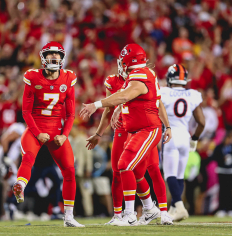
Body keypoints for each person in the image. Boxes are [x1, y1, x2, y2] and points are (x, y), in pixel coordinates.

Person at [80, 44, 173, 226]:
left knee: (133, 166)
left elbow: (126, 95)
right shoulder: (141, 74)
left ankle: (131, 214)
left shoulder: (140, 75)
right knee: (134, 171)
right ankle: (149, 209)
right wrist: (117, 111)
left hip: (146, 129)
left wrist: (95, 105)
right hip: (134, 130)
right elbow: (128, 98)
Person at [12, 41, 83, 227]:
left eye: (57, 54)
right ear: (43, 58)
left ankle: (68, 217)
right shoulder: (33, 77)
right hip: (36, 127)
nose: (54, 57)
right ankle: (21, 186)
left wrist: (65, 134)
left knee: (69, 171)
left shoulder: (68, 78)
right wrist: (37, 133)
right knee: (28, 157)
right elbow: (26, 112)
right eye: (50, 54)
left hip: (56, 130)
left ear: (62, 58)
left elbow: (70, 114)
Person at [160, 64, 205, 221]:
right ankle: (174, 208)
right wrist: (194, 139)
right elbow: (202, 122)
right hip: (185, 137)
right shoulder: (192, 94)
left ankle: (179, 206)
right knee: (179, 176)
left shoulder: (163, 92)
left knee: (169, 174)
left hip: (170, 135)